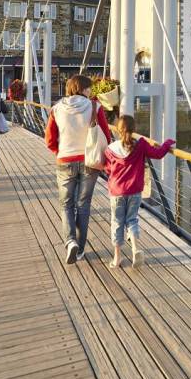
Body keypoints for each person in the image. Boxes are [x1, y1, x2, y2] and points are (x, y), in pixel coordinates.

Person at [45, 74, 112, 265]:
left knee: (66, 204)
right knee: (83, 205)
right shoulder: (95, 107)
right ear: (82, 89)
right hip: (89, 161)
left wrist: (59, 152)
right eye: (89, 88)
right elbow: (106, 136)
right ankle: (81, 249)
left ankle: (70, 241)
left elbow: (49, 139)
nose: (91, 91)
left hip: (65, 160)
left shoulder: (56, 108)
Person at [102, 114, 173, 268]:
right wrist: (167, 143)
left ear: (118, 130)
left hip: (117, 192)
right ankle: (135, 250)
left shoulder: (111, 149)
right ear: (134, 129)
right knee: (132, 220)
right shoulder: (141, 145)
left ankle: (117, 258)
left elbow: (107, 168)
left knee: (117, 222)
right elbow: (158, 154)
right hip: (134, 191)